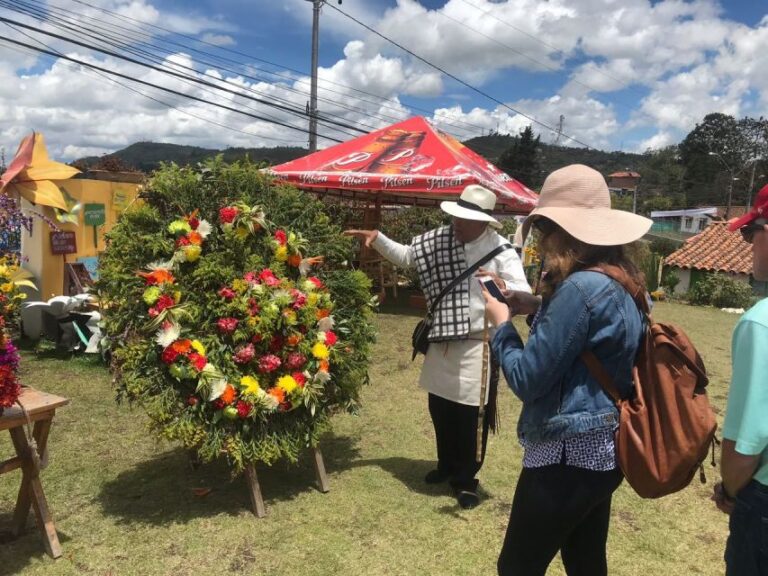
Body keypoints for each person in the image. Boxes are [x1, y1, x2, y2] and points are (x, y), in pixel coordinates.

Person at [482, 164, 652, 576]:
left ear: (562, 232)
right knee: (585, 561)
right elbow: (595, 331)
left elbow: (527, 379)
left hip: (566, 454)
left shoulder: (578, 288)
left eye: (544, 230)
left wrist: (501, 323)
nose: (542, 239)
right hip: (604, 451)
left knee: (517, 567)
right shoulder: (623, 278)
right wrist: (534, 304)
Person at [345, 184, 530, 509]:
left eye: (464, 219)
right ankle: (445, 465)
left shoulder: (502, 252)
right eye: (455, 217)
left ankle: (465, 479)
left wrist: (504, 286)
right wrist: (378, 238)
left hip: (477, 345)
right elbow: (407, 256)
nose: (456, 224)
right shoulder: (441, 239)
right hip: (442, 340)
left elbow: (523, 292)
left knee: (470, 418)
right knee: (441, 409)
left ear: (484, 222)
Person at [712, 184, 768, 576]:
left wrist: (731, 490)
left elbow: (745, 446)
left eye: (751, 234)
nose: (748, 245)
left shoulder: (760, 323)